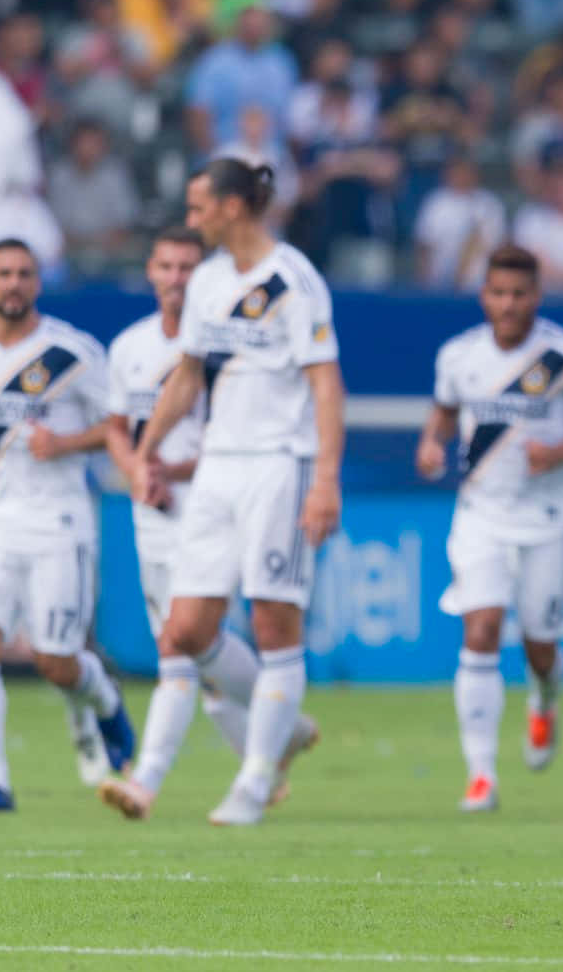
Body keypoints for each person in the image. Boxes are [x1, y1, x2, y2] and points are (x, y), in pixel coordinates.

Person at [106, 158, 343, 826]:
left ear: (233, 207)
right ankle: (285, 728)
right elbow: (188, 376)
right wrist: (148, 449)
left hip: (279, 463)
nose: (193, 218)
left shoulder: (293, 280)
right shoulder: (209, 281)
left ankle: (256, 778)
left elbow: (326, 383)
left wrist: (324, 479)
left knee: (273, 625)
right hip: (218, 467)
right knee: (185, 629)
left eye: (199, 205)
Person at [415, 244, 563, 812]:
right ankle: (480, 776)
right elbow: (442, 410)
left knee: (539, 646)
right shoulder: (458, 356)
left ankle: (544, 697)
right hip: (480, 515)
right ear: (484, 295)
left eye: (520, 294)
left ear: (536, 295)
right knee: (479, 631)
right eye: (499, 293)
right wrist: (431, 444)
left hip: (547, 520)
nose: (508, 305)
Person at [0, 238, 135, 814]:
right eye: (3, 274)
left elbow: (119, 427)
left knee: (55, 659)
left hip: (56, 517)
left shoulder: (73, 353)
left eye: (24, 273)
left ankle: (103, 699)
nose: (14, 284)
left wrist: (67, 441)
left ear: (37, 284)